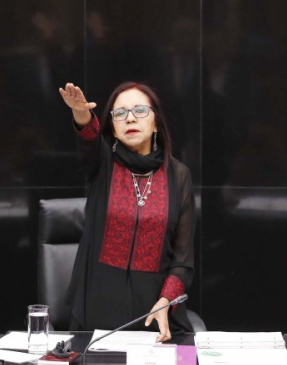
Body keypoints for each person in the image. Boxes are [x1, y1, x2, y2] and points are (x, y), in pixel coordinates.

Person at [59, 82, 195, 342]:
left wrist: (167, 301)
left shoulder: (178, 176)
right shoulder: (103, 165)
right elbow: (88, 139)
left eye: (140, 110)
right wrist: (80, 113)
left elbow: (183, 260)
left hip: (156, 318)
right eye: (120, 113)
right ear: (113, 127)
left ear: (156, 122)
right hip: (96, 319)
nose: (130, 117)